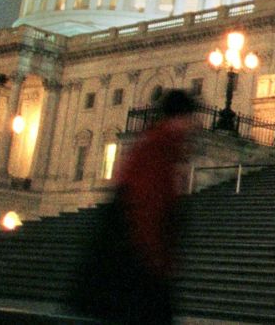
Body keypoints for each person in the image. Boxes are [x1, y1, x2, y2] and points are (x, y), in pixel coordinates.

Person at [69, 88, 197, 323]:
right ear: (179, 117)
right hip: (137, 263)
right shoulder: (158, 147)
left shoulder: (156, 144)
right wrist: (158, 259)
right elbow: (147, 206)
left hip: (134, 260)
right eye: (189, 119)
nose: (193, 126)